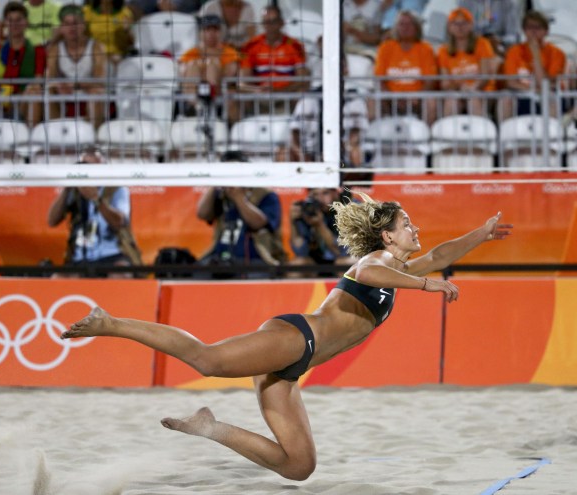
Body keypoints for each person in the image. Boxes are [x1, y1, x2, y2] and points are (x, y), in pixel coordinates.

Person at [61, 194, 512, 480]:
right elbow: (373, 270)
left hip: (294, 367)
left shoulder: (401, 266)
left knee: (299, 467)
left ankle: (210, 427)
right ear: (386, 235)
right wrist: (429, 285)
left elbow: (440, 254)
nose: (415, 229)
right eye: (407, 224)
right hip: (296, 338)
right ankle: (110, 323)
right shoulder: (377, 260)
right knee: (207, 361)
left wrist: (482, 234)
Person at [47, 148, 140, 278]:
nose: (87, 171)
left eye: (91, 167)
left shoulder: (117, 188)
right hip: (80, 257)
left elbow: (119, 222)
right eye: (84, 166)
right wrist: (67, 186)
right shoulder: (74, 190)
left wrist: (96, 199)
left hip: (112, 255)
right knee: (57, 279)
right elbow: (51, 221)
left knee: (120, 275)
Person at [196, 151, 285, 279]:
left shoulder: (266, 195)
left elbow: (259, 223)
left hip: (257, 259)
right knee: (195, 275)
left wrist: (238, 198)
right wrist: (215, 181)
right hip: (219, 258)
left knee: (256, 279)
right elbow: (202, 214)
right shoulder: (221, 194)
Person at [371, 10, 438, 125]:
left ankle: (428, 138)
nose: (405, 28)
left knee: (431, 102)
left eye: (409, 24)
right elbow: (380, 79)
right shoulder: (386, 47)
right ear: (396, 28)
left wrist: (415, 97)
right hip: (390, 98)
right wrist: (392, 97)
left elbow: (429, 81)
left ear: (417, 27)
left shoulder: (426, 49)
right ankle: (378, 136)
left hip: (418, 99)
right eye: (401, 24)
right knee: (372, 100)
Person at [46, 4, 108, 129]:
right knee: (48, 91)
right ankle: (55, 133)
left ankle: (92, 135)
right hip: (65, 91)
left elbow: (100, 81)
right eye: (67, 24)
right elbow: (49, 79)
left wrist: (75, 85)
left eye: (75, 23)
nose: (72, 28)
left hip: (89, 90)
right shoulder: (55, 49)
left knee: (97, 93)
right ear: (61, 28)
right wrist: (59, 86)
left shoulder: (96, 47)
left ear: (83, 26)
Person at [238, 5, 309, 114]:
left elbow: (302, 78)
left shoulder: (295, 46)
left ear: (281, 23)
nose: (269, 26)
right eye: (266, 22)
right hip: (259, 98)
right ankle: (242, 127)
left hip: (287, 96)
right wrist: (257, 90)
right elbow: (242, 83)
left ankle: (297, 128)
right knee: (237, 95)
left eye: (273, 21)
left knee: (303, 91)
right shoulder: (251, 46)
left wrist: (280, 91)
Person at [499, 10, 566, 121]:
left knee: (550, 99)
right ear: (524, 31)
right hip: (522, 93)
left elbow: (545, 84)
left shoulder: (557, 53)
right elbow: (511, 82)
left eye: (538, 28)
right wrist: (532, 90)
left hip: (548, 94)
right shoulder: (514, 51)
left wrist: (536, 55)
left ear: (546, 31)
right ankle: (505, 135)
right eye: (529, 28)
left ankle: (552, 135)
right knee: (505, 98)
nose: (533, 32)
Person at [178, 14, 240, 123]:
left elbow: (231, 72)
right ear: (200, 33)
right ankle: (197, 106)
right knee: (193, 64)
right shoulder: (191, 53)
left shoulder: (229, 52)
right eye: (207, 30)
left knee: (212, 63)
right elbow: (183, 73)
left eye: (215, 30)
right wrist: (202, 66)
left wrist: (210, 65)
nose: (211, 34)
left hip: (220, 93)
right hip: (194, 96)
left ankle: (209, 106)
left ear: (220, 32)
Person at [437, 7, 497, 117]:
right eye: (455, 23)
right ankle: (447, 134)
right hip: (457, 93)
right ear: (449, 27)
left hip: (482, 92)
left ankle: (481, 133)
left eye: (464, 23)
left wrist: (473, 88)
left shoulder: (482, 44)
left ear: (471, 25)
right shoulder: (443, 50)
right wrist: (460, 88)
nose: (460, 27)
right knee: (452, 101)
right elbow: (445, 83)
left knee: (473, 100)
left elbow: (486, 75)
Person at [288, 188, 358, 277]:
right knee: (297, 266)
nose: (320, 199)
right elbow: (300, 251)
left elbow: (342, 252)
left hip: (342, 259)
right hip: (316, 262)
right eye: (315, 195)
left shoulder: (351, 208)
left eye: (325, 193)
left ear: (336, 193)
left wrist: (320, 226)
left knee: (344, 264)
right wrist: (293, 222)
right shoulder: (307, 209)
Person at [83, 0, 135, 65]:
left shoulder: (125, 13)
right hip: (93, 56)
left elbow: (131, 43)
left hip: (118, 57)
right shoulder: (87, 12)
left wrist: (127, 31)